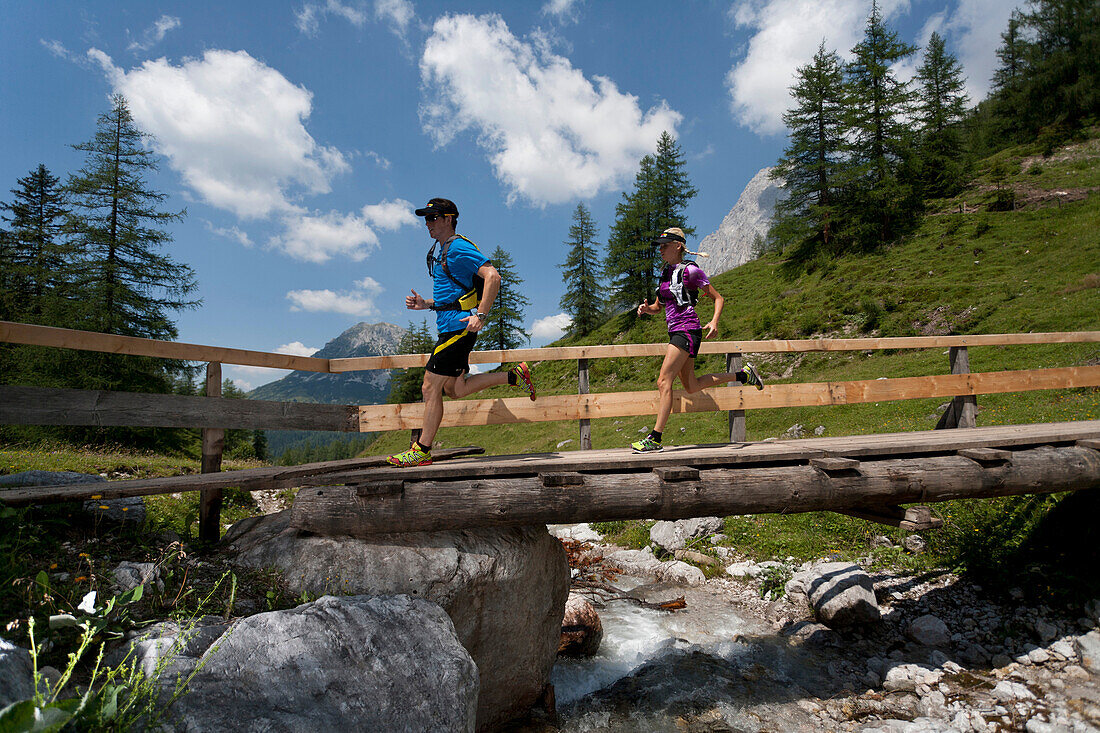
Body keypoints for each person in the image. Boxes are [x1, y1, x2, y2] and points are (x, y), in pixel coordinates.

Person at [387, 198, 536, 467]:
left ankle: (421, 450)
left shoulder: (457, 247)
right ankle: (513, 376)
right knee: (456, 389)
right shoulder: (443, 249)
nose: (427, 223)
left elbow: (493, 276)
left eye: (433, 218)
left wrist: (481, 315)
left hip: (457, 329)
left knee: (429, 387)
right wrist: (426, 304)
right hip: (451, 326)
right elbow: (454, 296)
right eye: (426, 218)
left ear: (448, 219)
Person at [630, 227, 764, 453]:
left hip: (687, 330)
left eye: (664, 245)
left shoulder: (691, 271)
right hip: (676, 332)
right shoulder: (664, 273)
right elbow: (658, 307)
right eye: (659, 246)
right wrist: (646, 309)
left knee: (664, 382)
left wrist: (714, 321)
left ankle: (655, 439)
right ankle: (744, 375)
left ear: (678, 246)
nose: (660, 250)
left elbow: (718, 298)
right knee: (691, 386)